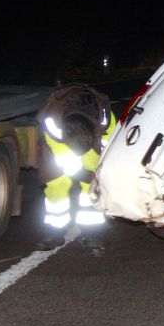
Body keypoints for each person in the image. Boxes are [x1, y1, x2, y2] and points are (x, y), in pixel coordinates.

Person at [35, 83, 116, 255]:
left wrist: (98, 173)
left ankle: (92, 234)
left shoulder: (105, 120)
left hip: (91, 144)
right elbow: (66, 163)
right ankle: (55, 232)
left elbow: (111, 149)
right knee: (56, 184)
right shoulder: (52, 123)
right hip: (59, 145)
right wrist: (80, 171)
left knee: (92, 189)